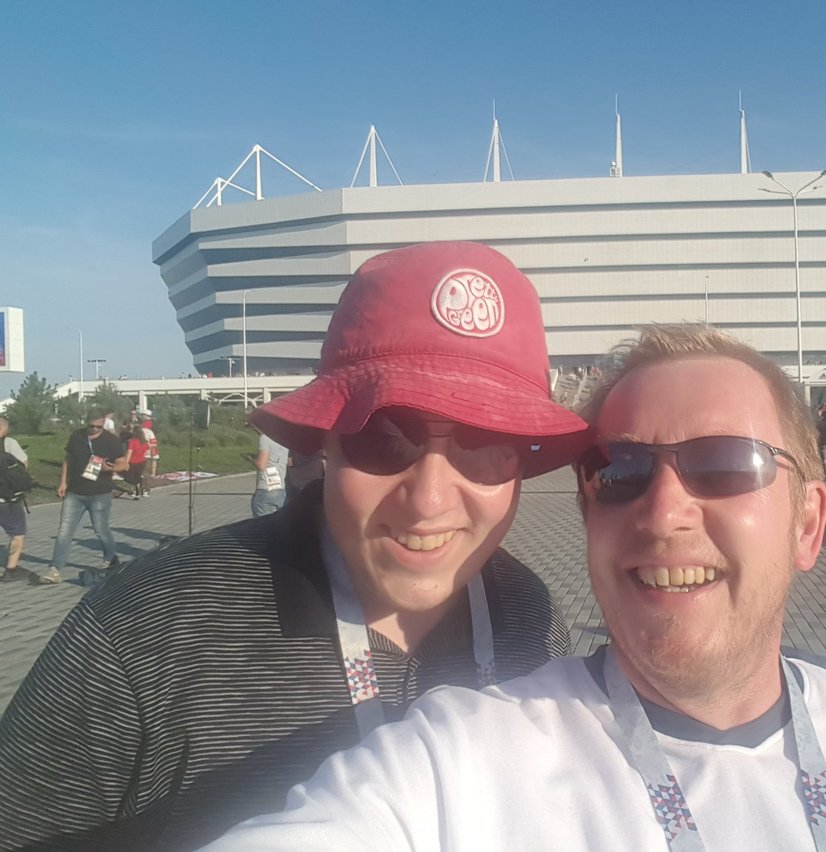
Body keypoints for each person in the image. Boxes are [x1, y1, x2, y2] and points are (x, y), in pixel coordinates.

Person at [212, 324, 826, 851]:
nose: (664, 512)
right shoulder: (461, 764)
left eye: (723, 464)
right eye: (620, 473)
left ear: (808, 522)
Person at [0, 242, 592, 850]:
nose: (430, 499)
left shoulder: (528, 614)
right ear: (325, 443)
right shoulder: (152, 628)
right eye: (386, 439)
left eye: (485, 444)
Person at [38, 408, 128, 584]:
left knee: (101, 530)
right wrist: (63, 482)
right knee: (64, 531)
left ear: (103, 423)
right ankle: (55, 569)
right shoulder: (77, 437)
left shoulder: (111, 441)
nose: (94, 429)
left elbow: (123, 464)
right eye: (91, 426)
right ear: (86, 422)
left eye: (98, 427)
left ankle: (110, 558)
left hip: (100, 493)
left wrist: (109, 469)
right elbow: (68, 460)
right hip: (75, 492)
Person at [0, 416, 32, 581]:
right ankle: (11, 570)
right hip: (7, 499)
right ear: (3, 429)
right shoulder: (9, 443)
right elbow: (25, 464)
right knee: (17, 533)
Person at [249, 425, 289, 516]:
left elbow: (262, 465)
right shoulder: (284, 440)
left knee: (262, 525)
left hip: (266, 487)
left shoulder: (265, 438)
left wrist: (252, 459)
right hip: (280, 488)